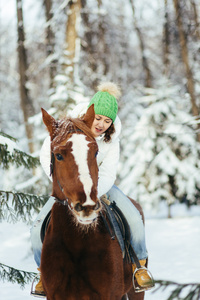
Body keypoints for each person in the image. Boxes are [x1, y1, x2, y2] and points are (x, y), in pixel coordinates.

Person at [31, 82, 154, 297]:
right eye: (98, 118)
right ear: (90, 112)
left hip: (100, 188)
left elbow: (108, 173)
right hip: (69, 188)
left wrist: (93, 190)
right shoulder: (66, 128)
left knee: (133, 217)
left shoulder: (110, 140)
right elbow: (46, 155)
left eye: (107, 121)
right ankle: (43, 275)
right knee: (37, 228)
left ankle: (139, 267)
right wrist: (66, 184)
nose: (101, 124)